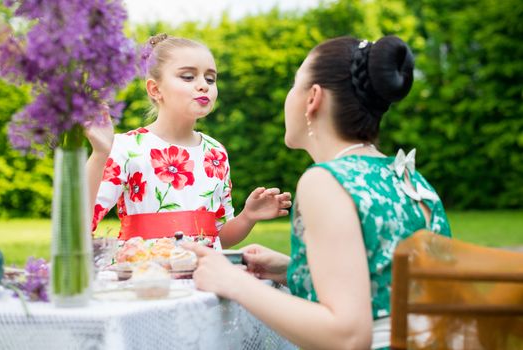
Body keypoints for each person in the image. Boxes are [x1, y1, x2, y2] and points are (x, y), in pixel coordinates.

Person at [183, 35, 451, 349]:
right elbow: (384, 283)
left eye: (294, 84)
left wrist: (235, 282)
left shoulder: (325, 182)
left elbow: (348, 336)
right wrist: (292, 269)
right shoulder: (408, 176)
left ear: (313, 98)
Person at [85, 34, 291, 248]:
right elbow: (79, 222)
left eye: (210, 79)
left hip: (206, 278)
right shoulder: (128, 148)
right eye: (188, 77)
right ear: (155, 89)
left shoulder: (215, 153)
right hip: (145, 277)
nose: (203, 85)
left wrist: (248, 216)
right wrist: (100, 154)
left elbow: (218, 237)